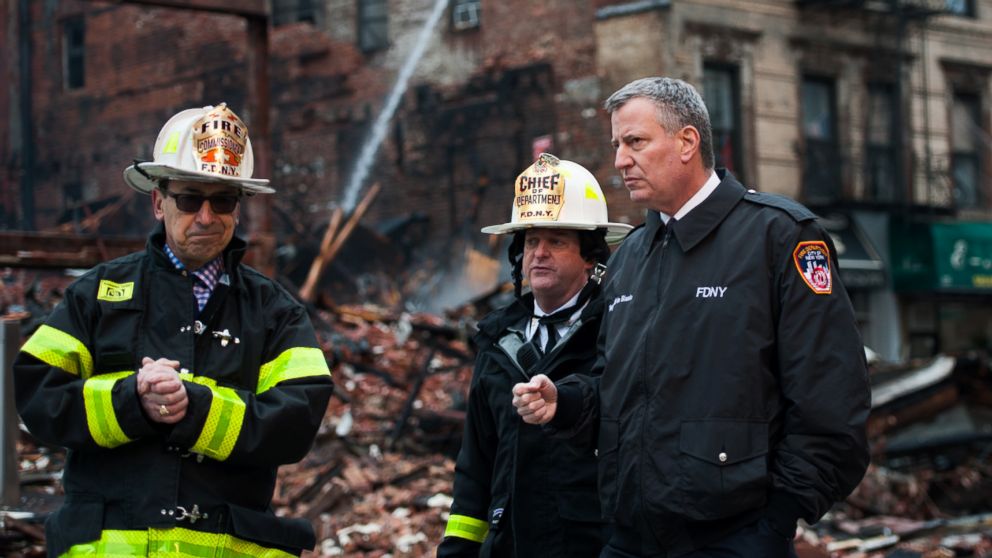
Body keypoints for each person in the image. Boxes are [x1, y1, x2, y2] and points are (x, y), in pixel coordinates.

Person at [512, 77, 871, 557]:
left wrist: (776, 520)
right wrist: (568, 402)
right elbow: (616, 386)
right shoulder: (630, 255)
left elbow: (832, 401)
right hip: (628, 540)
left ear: (686, 142)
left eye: (635, 142)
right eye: (617, 144)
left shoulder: (779, 237)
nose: (620, 160)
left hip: (733, 540)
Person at [14, 103, 334, 557]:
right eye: (189, 198)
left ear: (238, 209)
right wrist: (132, 400)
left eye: (222, 199)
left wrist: (196, 408)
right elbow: (39, 396)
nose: (206, 216)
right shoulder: (96, 296)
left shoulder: (274, 312)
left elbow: (296, 422)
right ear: (158, 201)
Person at [438, 153, 632, 557]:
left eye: (556, 241)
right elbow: (476, 463)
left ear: (590, 256)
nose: (539, 253)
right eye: (531, 241)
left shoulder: (617, 330)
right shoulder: (496, 340)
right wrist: (459, 549)